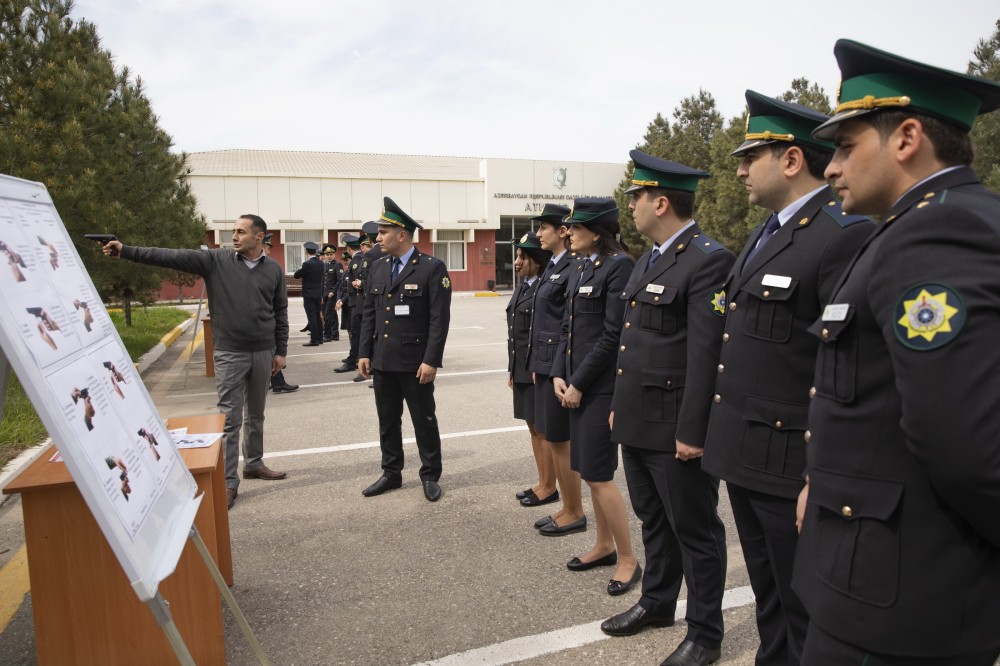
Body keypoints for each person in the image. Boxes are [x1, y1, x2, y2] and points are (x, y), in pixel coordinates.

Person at [791, 40, 1000, 665]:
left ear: (906, 137)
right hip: (876, 579)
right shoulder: (913, 227)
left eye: (846, 146)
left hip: (897, 602)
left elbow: (965, 447)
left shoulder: (937, 231)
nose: (830, 169)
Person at [699, 92, 873, 665]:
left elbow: (839, 365)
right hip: (746, 454)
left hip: (788, 464)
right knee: (769, 595)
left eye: (752, 156)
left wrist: (819, 473)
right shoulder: (766, 231)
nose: (741, 170)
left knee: (804, 607)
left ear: (792, 159)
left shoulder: (839, 231)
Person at [600, 152, 734, 666]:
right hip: (637, 420)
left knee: (695, 531)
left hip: (677, 426)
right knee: (653, 520)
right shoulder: (651, 257)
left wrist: (695, 429)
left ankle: (705, 634)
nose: (629, 205)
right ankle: (657, 603)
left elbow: (707, 355)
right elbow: (632, 346)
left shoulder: (707, 259)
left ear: (660, 202)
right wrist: (620, 407)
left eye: (636, 197)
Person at [98, 215, 289, 510]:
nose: (234, 237)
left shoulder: (273, 270)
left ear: (259, 237)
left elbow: (280, 312)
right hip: (230, 352)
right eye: (233, 232)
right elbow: (171, 257)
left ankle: (253, 463)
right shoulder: (216, 261)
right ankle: (228, 482)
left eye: (240, 232)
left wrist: (280, 351)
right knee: (229, 419)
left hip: (264, 352)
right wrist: (126, 250)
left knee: (257, 415)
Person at [551, 198, 639, 595]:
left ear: (598, 232)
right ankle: (603, 546)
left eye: (576, 228)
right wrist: (557, 372)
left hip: (598, 389)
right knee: (589, 472)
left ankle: (627, 558)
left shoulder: (619, 267)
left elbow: (612, 335)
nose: (568, 233)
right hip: (575, 386)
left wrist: (580, 382)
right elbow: (567, 327)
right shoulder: (583, 266)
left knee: (601, 476)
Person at [358, 197, 452, 502]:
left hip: (415, 363)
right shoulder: (378, 266)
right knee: (388, 421)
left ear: (402, 234)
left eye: (383, 231)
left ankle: (429, 475)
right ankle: (391, 473)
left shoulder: (431, 268)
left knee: (424, 419)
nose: (377, 237)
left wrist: (431, 360)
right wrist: (364, 352)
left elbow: (439, 320)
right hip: (384, 360)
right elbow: (370, 312)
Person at [524, 204, 587, 535]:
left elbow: (568, 327)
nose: (538, 234)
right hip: (545, 364)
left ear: (562, 231)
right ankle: (566, 505)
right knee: (551, 436)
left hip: (557, 366)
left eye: (544, 228)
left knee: (560, 440)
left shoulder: (573, 268)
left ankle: (575, 510)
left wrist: (557, 367)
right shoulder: (552, 267)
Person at [506, 232, 556, 507]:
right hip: (522, 368)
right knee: (533, 429)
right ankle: (543, 482)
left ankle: (550, 486)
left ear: (536, 260)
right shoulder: (524, 286)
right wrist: (512, 370)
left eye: (522, 257)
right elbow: (516, 334)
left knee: (544, 429)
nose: (517, 262)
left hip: (537, 369)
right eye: (516, 256)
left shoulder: (544, 287)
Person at [262, 233, 299, 394]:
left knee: (271, 351)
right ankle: (277, 382)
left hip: (270, 317)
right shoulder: (263, 268)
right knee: (269, 351)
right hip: (265, 320)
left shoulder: (270, 267)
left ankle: (277, 382)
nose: (269, 252)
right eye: (267, 248)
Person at [335, 234, 364, 374]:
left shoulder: (357, 260)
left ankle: (354, 360)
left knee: (356, 333)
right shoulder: (358, 259)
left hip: (356, 303)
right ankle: (355, 358)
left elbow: (356, 283)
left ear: (348, 247)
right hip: (354, 301)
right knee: (356, 333)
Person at [294, 241, 325, 346]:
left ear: (307, 252)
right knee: (317, 316)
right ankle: (320, 338)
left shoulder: (307, 264)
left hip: (309, 294)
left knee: (311, 317)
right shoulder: (321, 263)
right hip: (318, 293)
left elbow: (297, 275)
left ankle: (314, 340)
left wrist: (300, 270)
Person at [320, 243, 340, 341]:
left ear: (334, 255)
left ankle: (327, 335)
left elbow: (339, 280)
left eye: (331, 254)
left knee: (328, 315)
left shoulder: (337, 265)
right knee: (331, 314)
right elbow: (322, 280)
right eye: (327, 254)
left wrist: (334, 291)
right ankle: (335, 334)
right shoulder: (324, 265)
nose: (329, 256)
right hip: (324, 294)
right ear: (324, 255)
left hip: (332, 294)